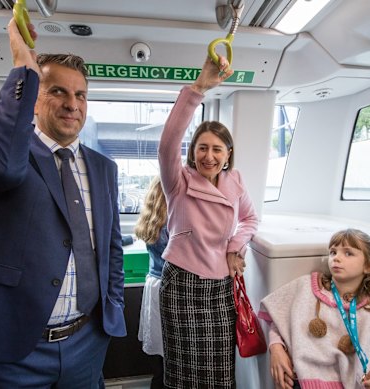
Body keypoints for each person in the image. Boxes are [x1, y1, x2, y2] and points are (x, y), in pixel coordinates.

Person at [0, 17, 126, 388]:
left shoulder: (104, 168)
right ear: (35, 98)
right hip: (16, 348)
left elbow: (112, 247)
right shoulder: (5, 149)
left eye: (81, 95)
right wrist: (24, 66)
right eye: (58, 91)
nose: (72, 104)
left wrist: (112, 310)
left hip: (86, 342)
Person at [157, 56, 259, 388]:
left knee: (220, 371)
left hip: (219, 288)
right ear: (192, 151)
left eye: (217, 149)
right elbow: (167, 144)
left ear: (228, 153)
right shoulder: (178, 181)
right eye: (202, 148)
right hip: (181, 285)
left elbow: (249, 219)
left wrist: (234, 246)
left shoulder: (236, 182)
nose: (209, 156)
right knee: (183, 372)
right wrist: (198, 89)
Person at [259, 229, 370, 389]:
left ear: (369, 266)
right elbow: (279, 318)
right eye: (333, 252)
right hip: (299, 381)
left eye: (348, 253)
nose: (336, 258)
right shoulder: (306, 287)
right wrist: (276, 347)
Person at [134, 176, 168, 389]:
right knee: (170, 360)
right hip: (167, 291)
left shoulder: (153, 218)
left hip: (153, 287)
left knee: (161, 361)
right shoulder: (172, 222)